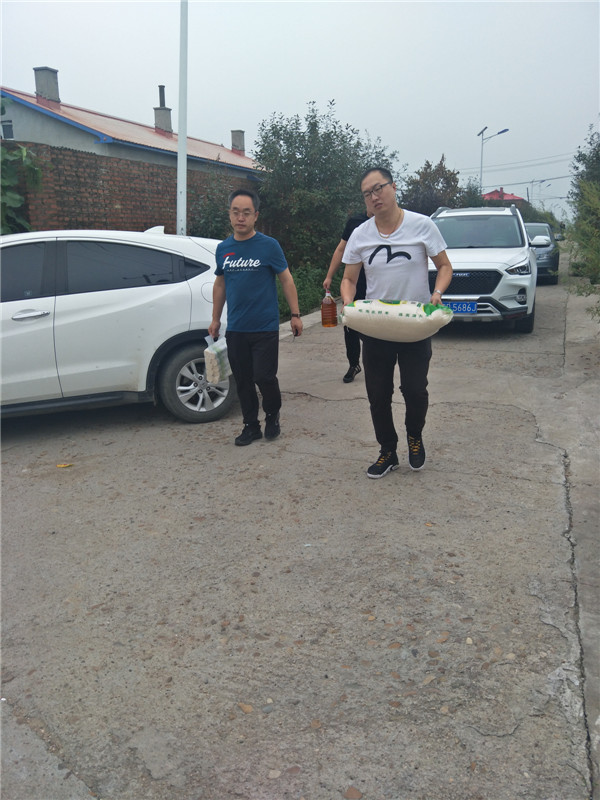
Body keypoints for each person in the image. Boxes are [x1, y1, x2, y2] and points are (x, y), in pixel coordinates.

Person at [341, 167, 453, 479]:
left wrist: (437, 293)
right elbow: (348, 279)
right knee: (378, 394)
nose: (374, 197)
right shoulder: (360, 234)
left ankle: (414, 436)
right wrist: (348, 303)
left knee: (415, 391)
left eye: (378, 188)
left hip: (414, 324)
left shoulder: (422, 225)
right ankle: (387, 450)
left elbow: (444, 266)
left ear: (393, 187)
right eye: (367, 193)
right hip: (376, 325)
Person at [208, 189, 303, 446]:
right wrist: (215, 319)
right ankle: (250, 426)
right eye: (236, 212)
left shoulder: (269, 246)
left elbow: (286, 279)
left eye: (246, 213)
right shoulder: (224, 249)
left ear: (255, 216)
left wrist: (295, 314)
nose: (241, 217)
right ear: (230, 214)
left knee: (264, 377)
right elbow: (220, 284)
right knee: (243, 381)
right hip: (237, 327)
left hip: (265, 327)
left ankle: (272, 415)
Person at [323, 211, 371, 383]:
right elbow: (341, 249)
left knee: (373, 324)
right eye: (368, 197)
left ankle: (375, 364)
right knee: (350, 324)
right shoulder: (355, 222)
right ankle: (354, 364)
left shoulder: (388, 221)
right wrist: (329, 276)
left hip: (378, 284)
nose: (374, 199)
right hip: (354, 281)